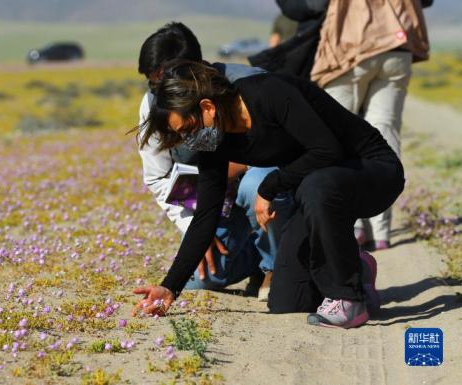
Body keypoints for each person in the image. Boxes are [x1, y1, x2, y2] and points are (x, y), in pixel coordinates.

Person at [132, 61, 404, 328]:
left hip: (371, 171)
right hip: (320, 194)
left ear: (207, 107)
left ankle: (349, 298)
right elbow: (206, 215)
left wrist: (269, 186)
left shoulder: (268, 93)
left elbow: (327, 151)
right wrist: (170, 287)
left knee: (315, 184)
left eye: (188, 129)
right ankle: (357, 268)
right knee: (288, 301)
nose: (189, 140)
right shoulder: (214, 140)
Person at [137, 22, 294, 300]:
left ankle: (277, 266)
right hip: (210, 204)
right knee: (201, 279)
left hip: (259, 186)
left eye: (164, 79)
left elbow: (286, 148)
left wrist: (239, 168)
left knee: (257, 184)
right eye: (153, 82)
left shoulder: (248, 84)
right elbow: (157, 176)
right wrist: (193, 228)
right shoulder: (153, 105)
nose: (159, 90)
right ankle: (259, 260)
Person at [294, 0, 433, 250]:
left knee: (341, 137)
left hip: (349, 50)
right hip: (397, 48)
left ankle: (352, 225)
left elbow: (315, 2)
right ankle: (382, 230)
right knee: (385, 132)